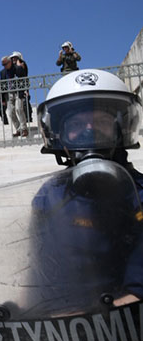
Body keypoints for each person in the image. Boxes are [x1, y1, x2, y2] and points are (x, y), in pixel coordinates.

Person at [33, 69, 143, 311]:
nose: (90, 131)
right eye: (77, 124)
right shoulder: (49, 195)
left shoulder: (139, 194)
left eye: (102, 121)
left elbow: (140, 287)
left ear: (121, 129)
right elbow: (37, 274)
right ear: (59, 134)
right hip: (59, 323)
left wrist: (84, 320)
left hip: (127, 324)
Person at [0, 55, 28, 137]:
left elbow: (24, 79)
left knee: (19, 109)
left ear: (10, 62)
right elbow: (2, 85)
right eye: (3, 65)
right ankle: (18, 129)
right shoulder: (2, 72)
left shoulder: (18, 68)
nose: (4, 66)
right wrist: (3, 99)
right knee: (10, 112)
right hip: (8, 93)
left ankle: (24, 129)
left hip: (18, 92)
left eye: (5, 64)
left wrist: (25, 90)